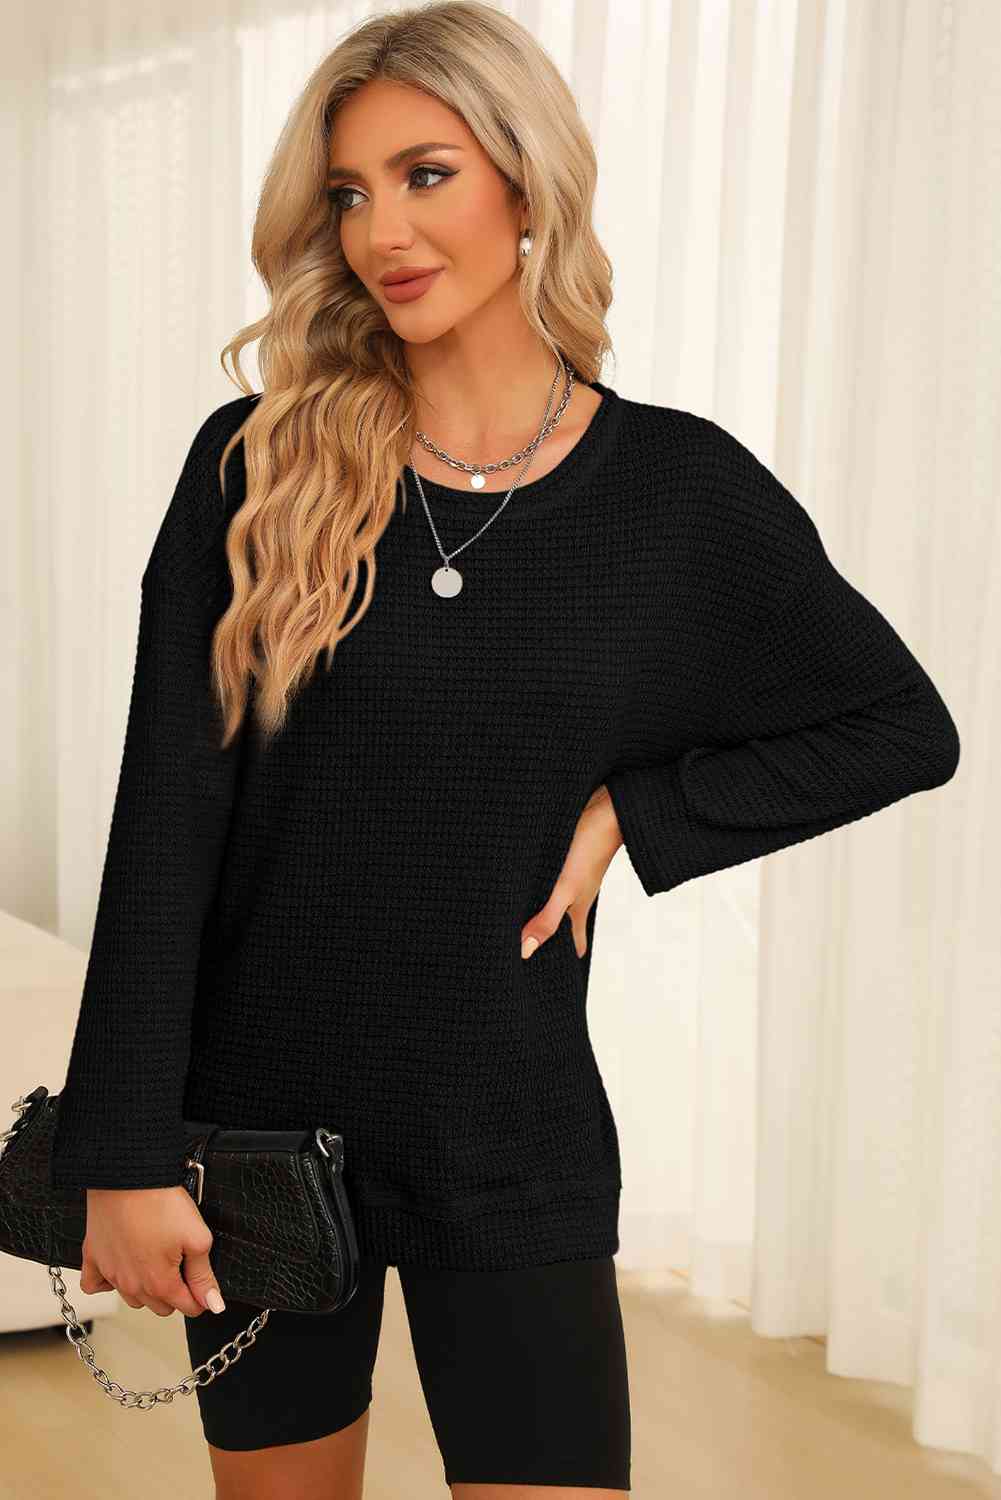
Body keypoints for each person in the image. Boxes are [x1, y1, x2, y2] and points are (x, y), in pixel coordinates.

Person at [48, 3, 961, 1497]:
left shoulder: (674, 492)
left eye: (428, 175)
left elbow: (898, 726)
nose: (383, 233)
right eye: (350, 194)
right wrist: (124, 1152)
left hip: (509, 1128)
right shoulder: (255, 470)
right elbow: (163, 833)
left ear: (527, 184)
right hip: (255, 1139)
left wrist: (637, 811)